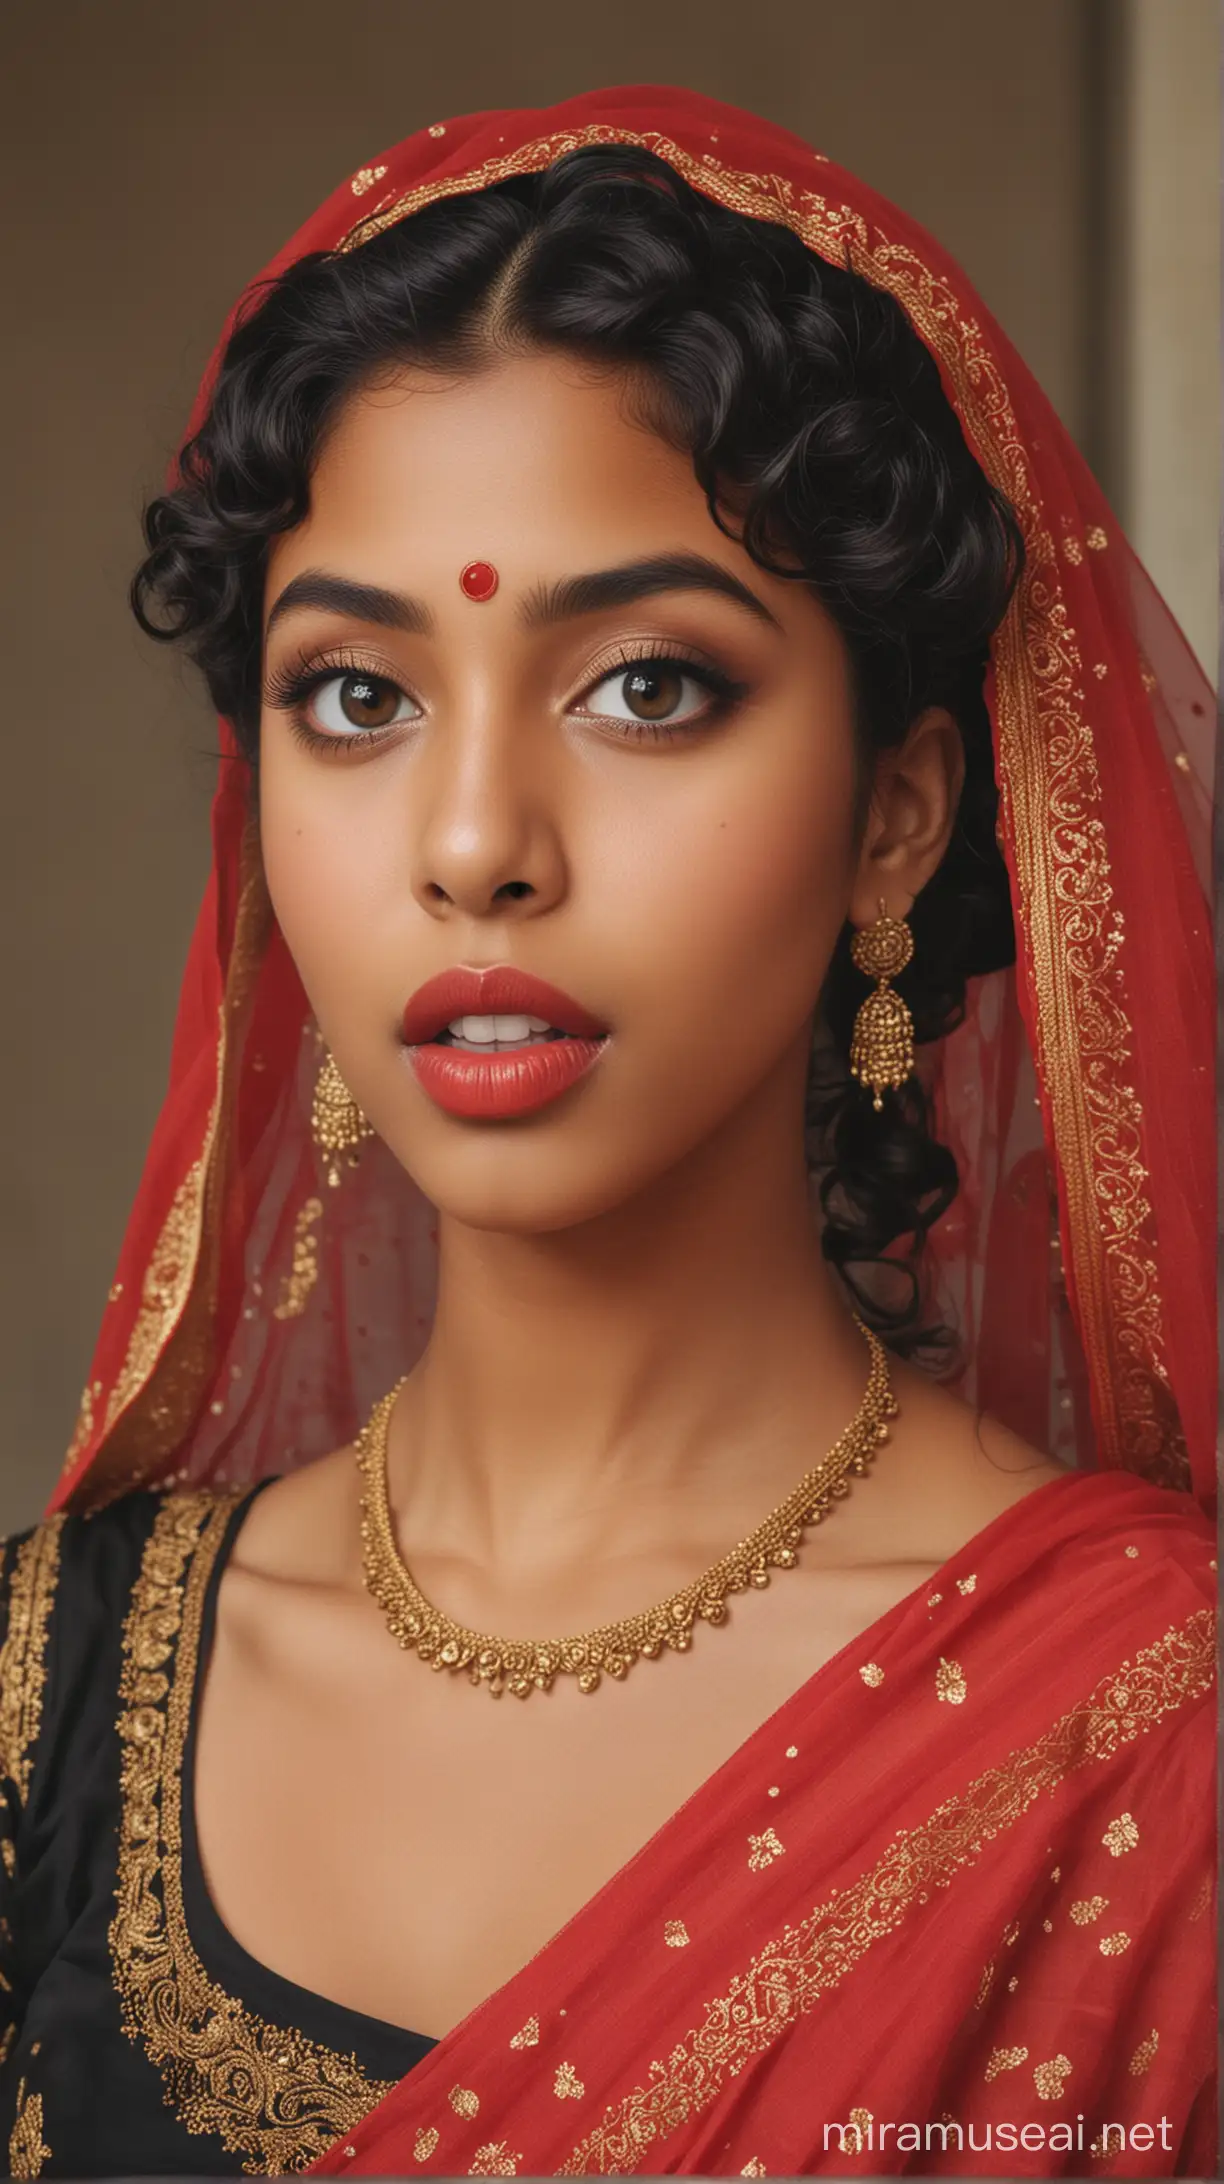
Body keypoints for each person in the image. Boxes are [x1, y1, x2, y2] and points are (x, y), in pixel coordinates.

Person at [0, 86, 1214, 2181]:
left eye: (645, 687)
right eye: (358, 698)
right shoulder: (52, 1694)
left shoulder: (1151, 1758)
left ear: (896, 814)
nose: (473, 846)